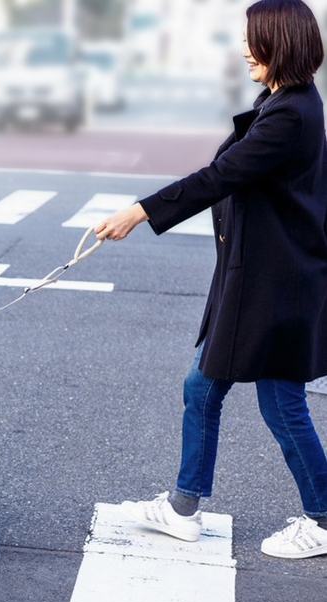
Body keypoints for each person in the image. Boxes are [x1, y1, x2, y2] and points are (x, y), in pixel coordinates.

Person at [95, 0, 327, 559]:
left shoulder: (291, 113)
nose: (245, 49)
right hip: (264, 279)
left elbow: (223, 175)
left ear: (281, 42)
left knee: (277, 403)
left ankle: (320, 518)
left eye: (254, 39)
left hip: (272, 287)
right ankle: (182, 507)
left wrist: (142, 211)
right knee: (206, 388)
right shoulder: (283, 102)